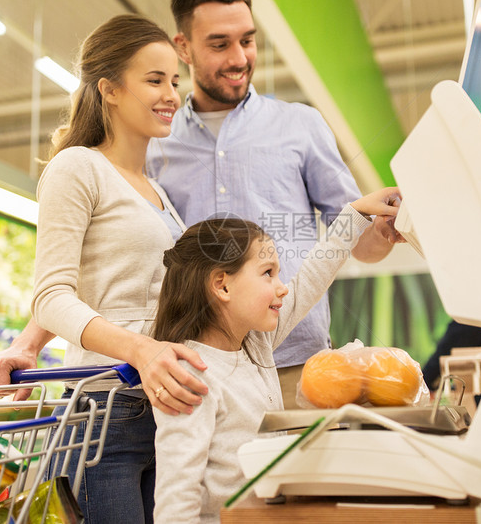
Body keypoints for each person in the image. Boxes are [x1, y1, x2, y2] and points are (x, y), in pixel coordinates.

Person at [147, 0, 399, 407]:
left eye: (247, 40)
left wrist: (384, 231)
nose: (239, 58)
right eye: (219, 44)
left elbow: (361, 244)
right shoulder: (156, 143)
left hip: (299, 364)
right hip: (199, 366)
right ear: (183, 47)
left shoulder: (300, 126)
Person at [15, 13, 209, 524]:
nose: (171, 93)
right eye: (154, 80)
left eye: (174, 80)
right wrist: (141, 350)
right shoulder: (78, 167)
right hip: (101, 414)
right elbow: (52, 295)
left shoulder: (157, 192)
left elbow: (106, 281)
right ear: (110, 89)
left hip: (160, 410)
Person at [150, 188, 401, 523]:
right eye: (268, 273)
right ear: (222, 285)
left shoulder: (255, 345)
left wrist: (354, 213)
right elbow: (175, 501)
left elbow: (310, 279)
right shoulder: (190, 375)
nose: (282, 287)